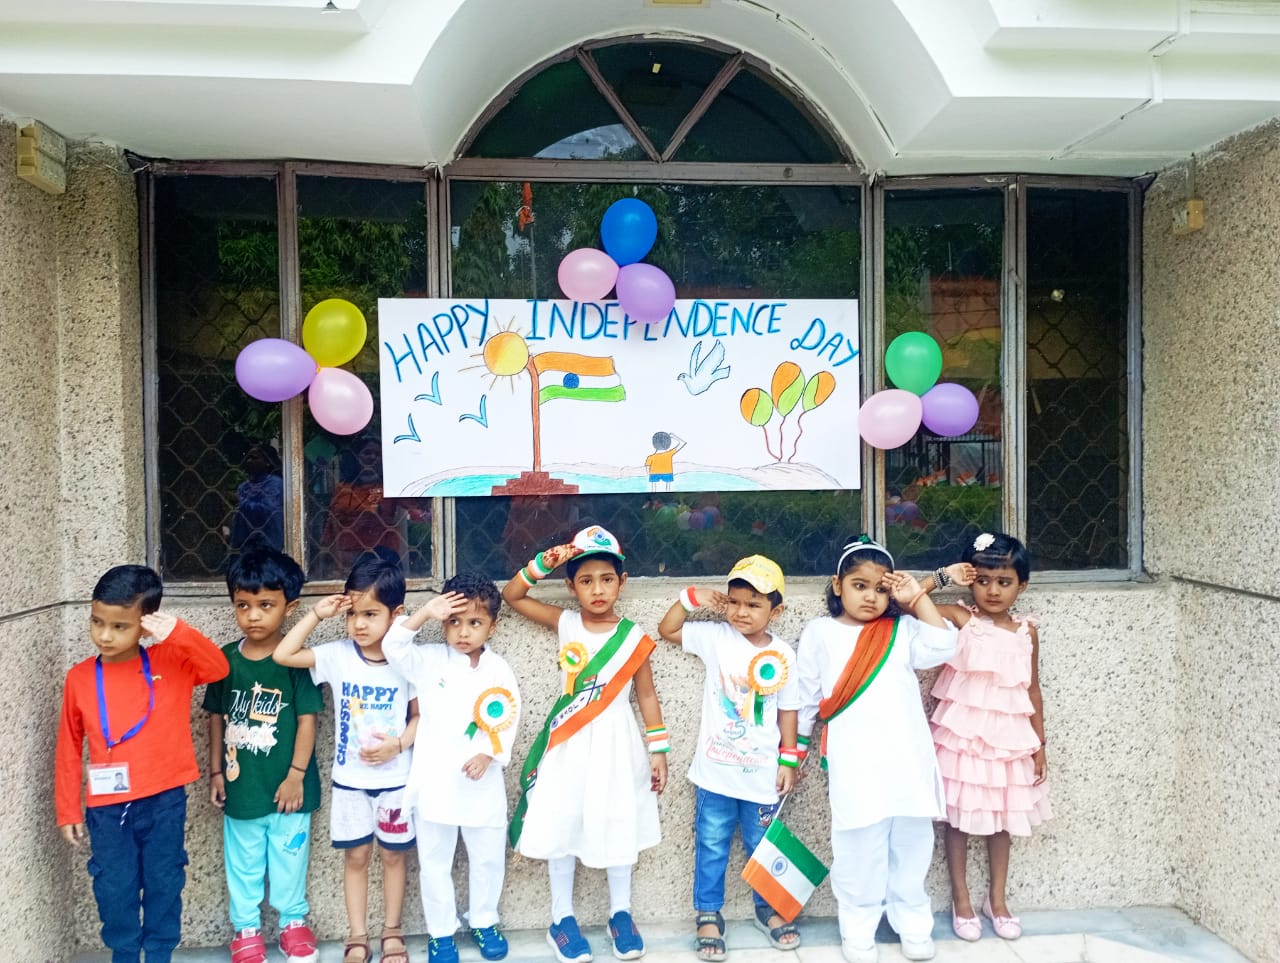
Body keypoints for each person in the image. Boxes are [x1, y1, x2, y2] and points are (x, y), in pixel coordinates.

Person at [502, 525, 668, 963]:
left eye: (607, 579)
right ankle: (562, 918)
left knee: (618, 820)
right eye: (586, 580)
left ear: (622, 582)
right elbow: (513, 596)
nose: (597, 590)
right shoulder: (567, 623)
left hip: (617, 743)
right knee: (564, 822)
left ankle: (620, 914)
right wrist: (542, 564)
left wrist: (659, 750)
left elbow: (646, 695)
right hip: (570, 742)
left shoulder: (632, 636)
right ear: (571, 586)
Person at [795, 537, 958, 963]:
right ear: (837, 585)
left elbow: (944, 646)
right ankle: (858, 927)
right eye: (859, 585)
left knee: (912, 844)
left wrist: (915, 598)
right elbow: (806, 698)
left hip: (906, 759)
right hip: (855, 762)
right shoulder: (820, 633)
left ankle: (913, 923)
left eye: (881, 589)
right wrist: (793, 754)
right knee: (858, 848)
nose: (870, 597)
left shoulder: (902, 630)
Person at [55, 564, 229, 963]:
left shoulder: (171, 660)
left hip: (164, 800)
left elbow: (218, 667)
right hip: (107, 807)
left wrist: (178, 632)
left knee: (165, 882)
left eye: (120, 626)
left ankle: (160, 954)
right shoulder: (79, 678)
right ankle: (125, 954)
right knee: (114, 888)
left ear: (145, 625)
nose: (104, 635)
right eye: (97, 622)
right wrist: (67, 809)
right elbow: (68, 746)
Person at [273, 548, 419, 963]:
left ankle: (392, 931)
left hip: (395, 781)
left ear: (396, 614)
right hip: (350, 782)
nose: (359, 623)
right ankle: (357, 936)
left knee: (393, 855)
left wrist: (398, 745)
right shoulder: (337, 655)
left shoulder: (407, 661)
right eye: (352, 613)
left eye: (370, 614)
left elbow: (419, 717)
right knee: (356, 856)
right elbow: (284, 654)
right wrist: (317, 615)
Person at [657, 555, 801, 960]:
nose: (741, 612)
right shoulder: (716, 637)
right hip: (715, 774)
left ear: (776, 611)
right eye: (735, 602)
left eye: (754, 604)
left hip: (763, 775)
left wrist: (788, 759)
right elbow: (667, 629)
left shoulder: (784, 654)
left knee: (762, 845)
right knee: (712, 844)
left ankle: (768, 908)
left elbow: (789, 709)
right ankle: (708, 913)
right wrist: (692, 598)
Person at [382, 573, 521, 963]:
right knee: (434, 862)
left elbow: (509, 717)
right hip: (436, 783)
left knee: (487, 857)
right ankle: (441, 932)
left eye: (475, 622)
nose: (463, 632)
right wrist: (425, 612)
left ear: (493, 625)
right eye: (454, 621)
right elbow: (393, 646)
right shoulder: (427, 661)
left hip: (482, 783)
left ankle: (484, 920)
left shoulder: (499, 669)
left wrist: (489, 754)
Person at [922, 532, 1050, 943]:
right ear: (970, 580)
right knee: (958, 820)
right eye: (983, 580)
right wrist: (944, 577)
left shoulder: (1026, 632)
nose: (993, 590)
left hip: (1008, 741)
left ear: (1022, 586)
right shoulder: (962, 620)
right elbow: (906, 601)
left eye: (1004, 582)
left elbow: (1033, 690)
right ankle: (961, 899)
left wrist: (1040, 745)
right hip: (962, 739)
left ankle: (997, 900)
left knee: (1002, 823)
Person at [203, 546, 324, 963]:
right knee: (243, 862)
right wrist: (215, 771)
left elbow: (308, 720)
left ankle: (293, 922)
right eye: (243, 605)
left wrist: (295, 775)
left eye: (265, 605)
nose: (253, 615)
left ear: (290, 608)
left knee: (290, 858)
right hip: (242, 787)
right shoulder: (225, 660)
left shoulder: (295, 662)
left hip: (291, 788)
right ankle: (246, 929)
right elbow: (215, 718)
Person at [231, 443, 285, 551]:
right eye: (248, 458)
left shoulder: (274, 483)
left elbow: (268, 511)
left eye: (254, 458)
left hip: (268, 543)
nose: (249, 461)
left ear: (267, 462)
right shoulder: (243, 487)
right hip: (245, 545)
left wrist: (241, 502)